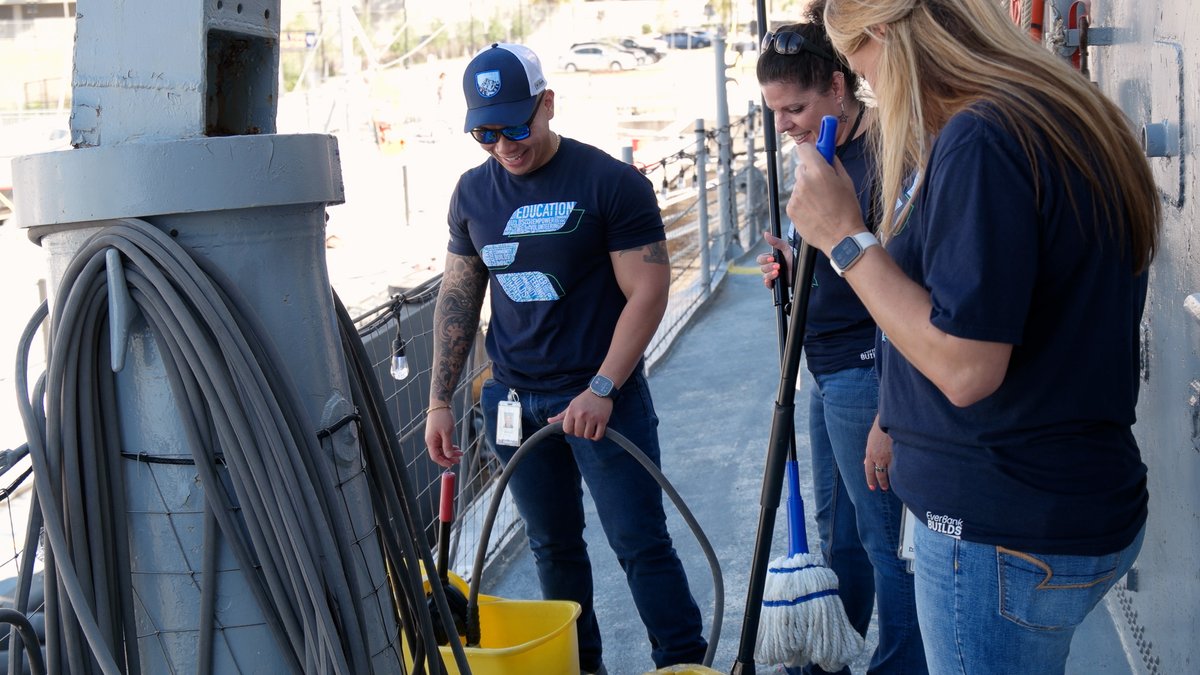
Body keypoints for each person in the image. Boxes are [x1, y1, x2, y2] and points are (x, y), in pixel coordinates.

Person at [788, 1, 1160, 673]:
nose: (869, 86)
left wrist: (844, 238)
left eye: (862, 68)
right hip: (1073, 504)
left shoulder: (980, 136)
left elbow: (966, 366)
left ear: (883, 36)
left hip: (999, 535)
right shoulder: (1063, 109)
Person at [423, 43, 708, 674]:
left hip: (602, 397)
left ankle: (682, 661)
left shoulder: (611, 183)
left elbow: (649, 290)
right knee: (553, 546)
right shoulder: (471, 194)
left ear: (547, 103)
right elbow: (458, 298)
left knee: (639, 542)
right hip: (514, 403)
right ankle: (581, 667)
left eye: (518, 126)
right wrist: (441, 401)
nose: (505, 145)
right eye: (486, 132)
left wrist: (604, 387)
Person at [754, 5, 926, 673]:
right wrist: (796, 266)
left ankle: (899, 664)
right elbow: (845, 251)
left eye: (794, 107)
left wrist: (891, 411)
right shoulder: (814, 153)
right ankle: (828, 657)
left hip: (868, 371)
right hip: (823, 367)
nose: (783, 124)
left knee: (888, 548)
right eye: (773, 110)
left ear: (837, 84)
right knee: (841, 536)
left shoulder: (887, 154)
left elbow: (901, 279)